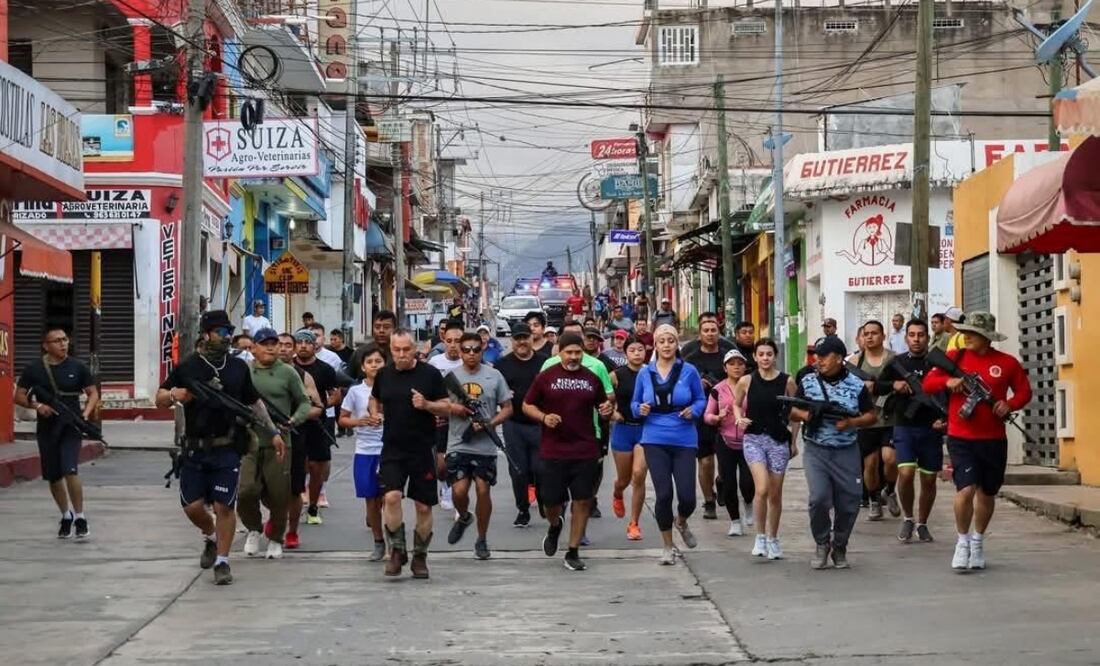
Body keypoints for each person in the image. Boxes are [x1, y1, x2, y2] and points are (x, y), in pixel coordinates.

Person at [154, 310, 286, 585]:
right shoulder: (189, 367)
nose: (227, 337)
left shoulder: (238, 367)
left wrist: (272, 432)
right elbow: (160, 398)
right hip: (194, 448)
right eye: (221, 332)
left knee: (224, 506)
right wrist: (174, 395)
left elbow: (254, 403)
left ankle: (223, 561)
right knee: (192, 507)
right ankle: (211, 534)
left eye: (229, 332)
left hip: (227, 447)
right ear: (207, 334)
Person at [923, 311, 1032, 572]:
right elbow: (928, 383)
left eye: (972, 334)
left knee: (987, 492)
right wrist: (949, 381)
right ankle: (962, 541)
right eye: (965, 332)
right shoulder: (955, 357)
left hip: (993, 438)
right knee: (966, 489)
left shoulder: (1007, 363)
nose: (966, 336)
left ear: (986, 337)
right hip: (961, 437)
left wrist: (1009, 404)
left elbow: (1024, 391)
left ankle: (978, 540)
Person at [523, 333, 614, 572]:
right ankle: (555, 526)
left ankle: (573, 551)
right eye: (569, 352)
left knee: (582, 500)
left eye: (578, 352)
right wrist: (544, 417)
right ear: (559, 352)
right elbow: (527, 404)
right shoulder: (546, 377)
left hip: (585, 448)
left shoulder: (591, 378)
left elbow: (605, 409)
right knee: (551, 502)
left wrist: (606, 410)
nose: (574, 357)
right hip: (553, 449)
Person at [788, 336, 877, 570]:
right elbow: (792, 410)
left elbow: (871, 416)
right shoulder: (808, 381)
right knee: (818, 498)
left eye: (824, 356)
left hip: (846, 450)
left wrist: (850, 422)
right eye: (817, 356)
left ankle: (840, 544)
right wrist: (809, 415)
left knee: (850, 501)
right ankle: (821, 542)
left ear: (839, 358)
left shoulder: (857, 385)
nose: (819, 361)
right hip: (816, 449)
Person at [370, 329, 452, 578]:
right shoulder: (384, 374)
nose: (402, 355)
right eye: (397, 350)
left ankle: (419, 556)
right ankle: (397, 550)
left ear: (415, 349)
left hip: (422, 447)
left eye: (407, 349)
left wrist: (427, 405)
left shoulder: (430, 374)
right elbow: (375, 399)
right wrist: (374, 413)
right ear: (391, 350)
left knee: (424, 507)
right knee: (392, 497)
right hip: (393, 447)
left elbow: (447, 407)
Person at [14, 327, 99, 539]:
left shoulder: (78, 367)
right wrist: (37, 406)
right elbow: (19, 396)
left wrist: (86, 414)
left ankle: (80, 517)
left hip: (71, 427)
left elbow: (93, 393)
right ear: (46, 345)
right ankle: (66, 515)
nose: (63, 344)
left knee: (70, 470)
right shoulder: (34, 369)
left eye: (65, 339)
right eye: (57, 341)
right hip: (47, 428)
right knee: (53, 476)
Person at [631, 324, 706, 565]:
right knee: (663, 495)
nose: (666, 345)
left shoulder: (689, 371)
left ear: (677, 344)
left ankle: (681, 521)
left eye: (670, 341)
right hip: (654, 437)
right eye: (661, 341)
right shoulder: (645, 373)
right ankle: (667, 546)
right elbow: (634, 403)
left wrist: (693, 410)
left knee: (688, 497)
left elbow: (700, 399)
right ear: (655, 344)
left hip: (684, 438)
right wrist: (639, 409)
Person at [239, 328, 311, 561]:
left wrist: (293, 421)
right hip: (248, 441)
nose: (271, 347)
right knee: (245, 490)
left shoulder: (288, 373)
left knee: (280, 495)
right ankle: (253, 528)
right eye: (265, 343)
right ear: (254, 348)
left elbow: (304, 403)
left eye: (274, 343)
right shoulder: (244, 372)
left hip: (280, 442)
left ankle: (276, 538)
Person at [874, 319, 946, 544]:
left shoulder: (938, 363)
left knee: (929, 479)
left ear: (928, 336)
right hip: (904, 426)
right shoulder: (897, 363)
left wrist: (944, 419)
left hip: (931, 429)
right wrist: (893, 385)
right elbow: (876, 385)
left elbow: (950, 393)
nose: (916, 339)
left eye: (921, 335)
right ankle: (908, 517)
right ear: (906, 338)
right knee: (905, 474)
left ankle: (922, 523)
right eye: (912, 335)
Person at [442, 332, 513, 559]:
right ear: (459, 352)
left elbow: (508, 408)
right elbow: (440, 405)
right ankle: (463, 516)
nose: (471, 354)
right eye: (466, 350)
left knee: (483, 490)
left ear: (482, 350)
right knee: (459, 491)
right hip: (458, 441)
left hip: (485, 445)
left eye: (475, 349)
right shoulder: (450, 378)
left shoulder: (495, 376)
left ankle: (481, 539)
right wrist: (456, 409)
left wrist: (488, 424)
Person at [733, 339, 797, 559]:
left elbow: (795, 413)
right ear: (755, 357)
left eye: (769, 354)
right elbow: (735, 403)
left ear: (775, 355)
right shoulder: (746, 380)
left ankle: (773, 538)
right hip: (754, 439)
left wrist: (794, 441)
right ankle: (759, 537)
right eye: (761, 354)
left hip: (779, 440)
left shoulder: (787, 381)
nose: (765, 358)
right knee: (761, 489)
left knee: (775, 493)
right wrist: (739, 418)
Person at [496, 323, 551, 527]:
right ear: (512, 340)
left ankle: (543, 499)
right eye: (517, 338)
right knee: (518, 470)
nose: (521, 342)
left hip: (539, 423)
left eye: (525, 337)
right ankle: (523, 509)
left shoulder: (544, 362)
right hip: (513, 424)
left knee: (540, 467)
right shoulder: (503, 364)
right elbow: (496, 393)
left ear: (531, 339)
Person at [339, 344, 388, 561]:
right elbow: (343, 419)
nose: (374, 365)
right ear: (362, 367)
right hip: (365, 451)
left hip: (389, 450)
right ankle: (378, 542)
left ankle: (394, 540)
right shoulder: (355, 391)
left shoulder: (393, 387)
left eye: (378, 361)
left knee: (389, 498)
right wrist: (359, 421)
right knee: (370, 499)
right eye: (370, 362)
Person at [278, 333, 324, 550]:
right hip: (267, 438)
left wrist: (295, 418)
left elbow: (317, 407)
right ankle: (271, 523)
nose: (283, 349)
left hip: (295, 437)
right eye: (279, 344)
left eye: (288, 345)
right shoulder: (256, 372)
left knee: (295, 488)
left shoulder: (303, 376)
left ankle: (292, 531)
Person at [851, 320, 899, 521]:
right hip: (866, 420)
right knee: (869, 465)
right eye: (866, 333)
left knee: (890, 459)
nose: (870, 337)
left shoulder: (894, 360)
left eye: (874, 333)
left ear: (883, 336)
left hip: (890, 418)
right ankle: (873, 499)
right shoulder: (854, 362)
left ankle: (889, 490)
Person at [704, 349, 755, 537]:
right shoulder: (718, 389)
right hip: (725, 440)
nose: (736, 367)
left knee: (748, 482)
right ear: (725, 367)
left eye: (740, 363)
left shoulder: (753, 385)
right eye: (732, 364)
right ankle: (735, 521)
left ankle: (749, 503)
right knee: (729, 483)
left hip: (749, 440)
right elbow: (707, 416)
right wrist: (718, 417)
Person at [294, 330, 340, 528]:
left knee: (316, 467)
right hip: (293, 423)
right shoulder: (288, 368)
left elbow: (336, 396)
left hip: (318, 423)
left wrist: (320, 407)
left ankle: (313, 506)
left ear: (315, 346)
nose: (303, 345)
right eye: (299, 342)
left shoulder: (326, 369)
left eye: (308, 342)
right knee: (297, 466)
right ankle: (292, 506)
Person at [684, 315, 726, 521]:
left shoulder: (728, 357)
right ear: (699, 335)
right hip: (701, 415)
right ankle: (709, 501)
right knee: (706, 461)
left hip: (726, 415)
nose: (710, 334)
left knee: (727, 462)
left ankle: (721, 481)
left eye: (713, 330)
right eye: (706, 330)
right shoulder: (690, 360)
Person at [610, 336, 649, 540]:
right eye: (632, 350)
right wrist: (612, 413)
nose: (637, 353)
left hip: (646, 430)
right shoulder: (616, 375)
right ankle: (617, 493)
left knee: (639, 474)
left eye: (640, 349)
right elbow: (602, 398)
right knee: (624, 479)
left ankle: (634, 523)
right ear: (625, 354)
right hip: (623, 429)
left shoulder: (652, 373)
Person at [429, 319, 466, 511]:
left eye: (457, 340)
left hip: (462, 420)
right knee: (441, 465)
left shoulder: (468, 361)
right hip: (442, 419)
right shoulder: (435, 363)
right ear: (444, 340)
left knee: (459, 460)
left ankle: (458, 499)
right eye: (449, 340)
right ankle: (444, 486)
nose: (453, 344)